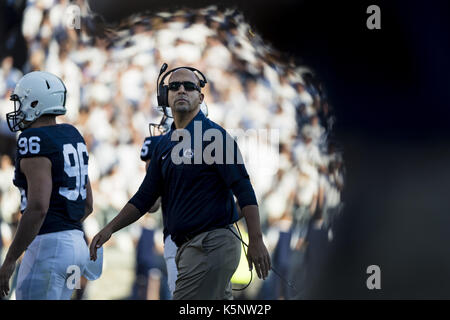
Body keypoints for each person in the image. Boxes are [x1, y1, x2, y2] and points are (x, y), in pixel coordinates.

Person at [90, 67, 271, 300]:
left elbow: (244, 189)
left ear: (200, 97)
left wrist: (256, 240)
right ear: (166, 96)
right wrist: (109, 229)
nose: (181, 90)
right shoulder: (164, 144)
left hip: (211, 244)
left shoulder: (213, 136)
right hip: (188, 249)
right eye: (174, 87)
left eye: (189, 86)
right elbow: (144, 198)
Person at [0, 71, 102, 300]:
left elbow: (38, 207)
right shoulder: (72, 134)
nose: (17, 108)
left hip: (49, 245)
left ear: (35, 102)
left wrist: (9, 260)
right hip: (77, 245)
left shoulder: (33, 139)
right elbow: (87, 205)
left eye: (21, 101)